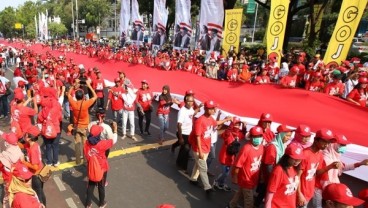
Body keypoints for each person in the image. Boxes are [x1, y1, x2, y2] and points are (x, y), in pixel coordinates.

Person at [188, 101, 231, 195]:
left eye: (213, 108)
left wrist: (226, 120)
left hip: (206, 147)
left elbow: (216, 123)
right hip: (200, 148)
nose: (213, 110)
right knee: (203, 167)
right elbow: (197, 136)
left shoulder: (210, 118)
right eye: (211, 109)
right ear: (206, 109)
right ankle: (207, 187)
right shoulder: (200, 121)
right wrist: (200, 150)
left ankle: (193, 178)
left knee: (198, 164)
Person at [297, 128, 339, 208]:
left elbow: (316, 173)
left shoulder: (319, 154)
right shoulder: (305, 154)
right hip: (300, 194)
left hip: (308, 192)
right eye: (324, 141)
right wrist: (299, 194)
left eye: (328, 142)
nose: (326, 145)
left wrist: (330, 167)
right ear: (316, 140)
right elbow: (297, 176)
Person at [255, 124, 293, 207]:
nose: (288, 138)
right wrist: (272, 177)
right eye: (287, 136)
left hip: (274, 173)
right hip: (270, 174)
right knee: (266, 189)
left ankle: (256, 204)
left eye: (290, 136)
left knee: (264, 190)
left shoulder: (281, 145)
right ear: (281, 135)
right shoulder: (272, 147)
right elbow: (269, 164)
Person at [227, 126, 264, 208]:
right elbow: (238, 164)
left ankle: (231, 205)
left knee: (240, 192)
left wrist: (261, 175)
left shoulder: (261, 147)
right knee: (249, 201)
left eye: (259, 136)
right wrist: (235, 176)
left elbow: (260, 162)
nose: (257, 138)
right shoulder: (246, 148)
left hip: (253, 177)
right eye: (255, 136)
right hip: (245, 178)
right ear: (250, 137)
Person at [84, 124, 117, 208]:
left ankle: (88, 204)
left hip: (91, 168)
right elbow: (113, 140)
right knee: (101, 186)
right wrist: (115, 130)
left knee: (91, 185)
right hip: (102, 168)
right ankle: (101, 203)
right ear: (98, 135)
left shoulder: (86, 143)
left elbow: (86, 155)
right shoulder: (102, 144)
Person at [264, 143, 304, 208]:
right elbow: (271, 190)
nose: (298, 161)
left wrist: (299, 194)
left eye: (299, 159)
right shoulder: (279, 170)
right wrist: (267, 206)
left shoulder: (295, 168)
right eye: (295, 158)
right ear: (287, 157)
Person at [68, 79, 97, 165]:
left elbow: (69, 94)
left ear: (76, 97)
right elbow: (95, 96)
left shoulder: (73, 103)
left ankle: (77, 160)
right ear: (83, 97)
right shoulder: (85, 103)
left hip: (77, 127)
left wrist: (74, 85)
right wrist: (89, 85)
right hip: (84, 127)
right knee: (85, 144)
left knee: (77, 144)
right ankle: (85, 160)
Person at [213, 117, 246, 192]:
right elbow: (228, 131)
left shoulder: (238, 134)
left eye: (238, 124)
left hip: (231, 158)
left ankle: (221, 183)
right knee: (225, 173)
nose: (237, 126)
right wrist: (231, 123)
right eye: (236, 124)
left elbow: (243, 135)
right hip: (224, 157)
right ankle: (216, 181)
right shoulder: (227, 133)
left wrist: (244, 126)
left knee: (226, 172)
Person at [21, 126, 46, 206]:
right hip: (40, 172)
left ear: (29, 138)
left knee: (38, 195)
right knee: (40, 192)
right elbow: (23, 146)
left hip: (36, 175)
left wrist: (24, 162)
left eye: (26, 135)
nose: (24, 135)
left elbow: (35, 166)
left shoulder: (33, 150)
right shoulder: (33, 145)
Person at [37, 88, 62, 167]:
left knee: (48, 146)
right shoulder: (56, 105)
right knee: (55, 146)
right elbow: (60, 117)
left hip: (46, 129)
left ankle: (49, 162)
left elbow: (39, 118)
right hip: (56, 128)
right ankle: (55, 161)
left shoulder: (43, 109)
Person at [174, 94, 196, 173]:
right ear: (185, 101)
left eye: (192, 101)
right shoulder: (182, 111)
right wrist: (180, 138)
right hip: (182, 133)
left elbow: (194, 113)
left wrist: (198, 106)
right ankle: (184, 167)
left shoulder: (191, 109)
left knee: (183, 149)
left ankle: (178, 162)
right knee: (186, 149)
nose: (191, 103)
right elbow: (179, 124)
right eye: (189, 101)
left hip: (189, 133)